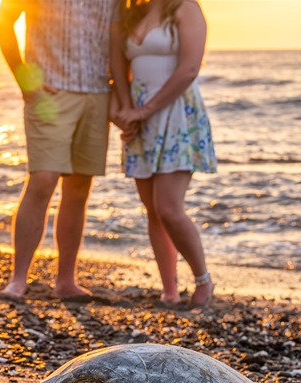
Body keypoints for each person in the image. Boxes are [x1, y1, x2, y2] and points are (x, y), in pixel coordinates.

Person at [0, 0, 116, 299]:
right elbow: (3, 22)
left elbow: (119, 35)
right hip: (50, 91)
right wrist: (25, 80)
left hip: (98, 93)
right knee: (43, 179)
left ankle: (65, 281)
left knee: (78, 188)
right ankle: (18, 280)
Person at [110, 0, 217, 308]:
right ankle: (169, 290)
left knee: (169, 208)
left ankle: (203, 280)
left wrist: (146, 110)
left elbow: (189, 69)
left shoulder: (185, 7)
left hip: (176, 114)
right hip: (141, 118)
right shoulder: (134, 12)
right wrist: (125, 112)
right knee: (153, 212)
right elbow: (118, 68)